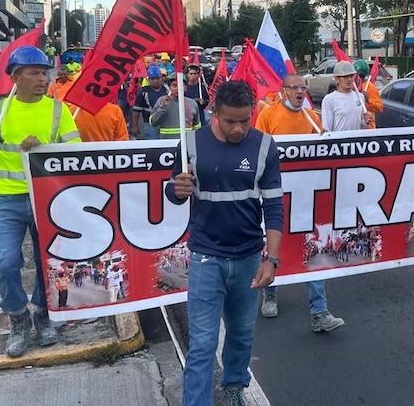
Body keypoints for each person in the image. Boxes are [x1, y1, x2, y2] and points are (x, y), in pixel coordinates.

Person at [166, 80, 284, 406]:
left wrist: (271, 260)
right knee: (202, 344)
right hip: (206, 257)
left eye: (245, 120)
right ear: (214, 112)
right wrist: (175, 190)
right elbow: (173, 192)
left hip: (248, 257)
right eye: (230, 120)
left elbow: (273, 206)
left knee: (242, 335)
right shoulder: (190, 143)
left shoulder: (264, 146)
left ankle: (234, 388)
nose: (238, 128)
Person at [0, 45, 81, 358]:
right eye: (34, 72)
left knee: (48, 263)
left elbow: (77, 153)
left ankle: (43, 314)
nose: (42, 78)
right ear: (16, 77)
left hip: (48, 198)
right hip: (6, 199)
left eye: (44, 72)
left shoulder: (57, 111)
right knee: (5, 263)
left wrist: (44, 147)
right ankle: (19, 317)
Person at [255, 74, 345, 333]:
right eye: (295, 87)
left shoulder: (311, 118)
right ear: (283, 91)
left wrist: (324, 140)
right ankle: (270, 294)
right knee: (275, 245)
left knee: (314, 248)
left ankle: (320, 311)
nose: (300, 92)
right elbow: (257, 151)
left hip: (306, 196)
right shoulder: (269, 116)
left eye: (303, 87)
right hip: (276, 196)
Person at [321, 61, 374, 132]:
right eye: (345, 76)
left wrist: (366, 121)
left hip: (355, 142)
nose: (349, 79)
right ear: (337, 79)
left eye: (351, 76)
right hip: (338, 142)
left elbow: (361, 124)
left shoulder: (360, 97)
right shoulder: (329, 99)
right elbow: (327, 129)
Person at [131, 64, 167, 140]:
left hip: (166, 124)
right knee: (154, 149)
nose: (155, 81)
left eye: (157, 78)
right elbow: (136, 111)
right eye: (152, 79)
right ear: (148, 79)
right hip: (150, 125)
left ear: (161, 78)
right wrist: (135, 126)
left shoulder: (167, 90)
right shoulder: (143, 92)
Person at [353, 59, 383, 129]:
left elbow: (380, 108)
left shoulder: (371, 88)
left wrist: (368, 100)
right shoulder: (351, 87)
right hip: (354, 129)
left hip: (368, 129)